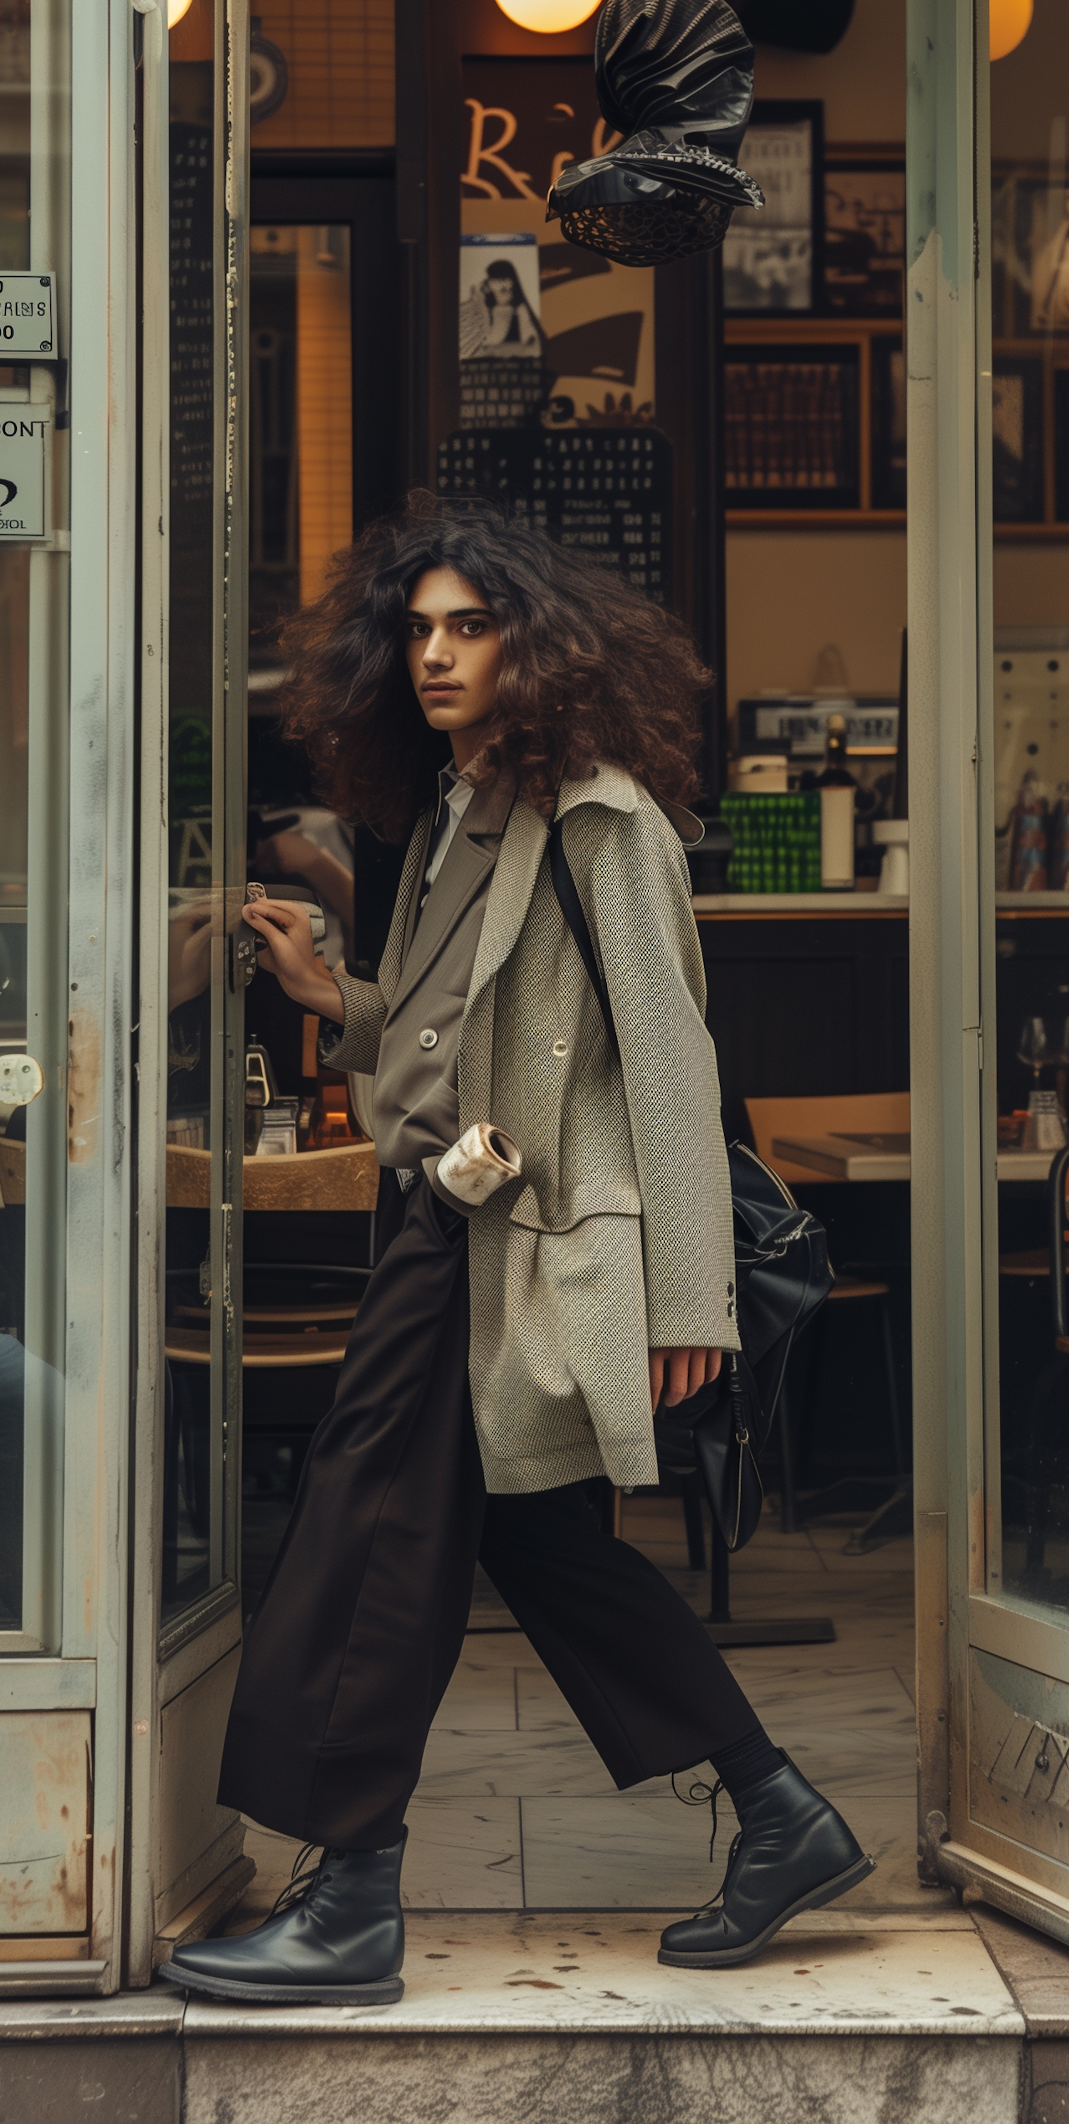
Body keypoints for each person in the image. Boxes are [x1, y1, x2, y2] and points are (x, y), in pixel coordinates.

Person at [160, 493, 871, 2006]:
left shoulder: (598, 818)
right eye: (415, 628)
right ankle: (781, 1809)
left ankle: (352, 1895)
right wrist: (328, 988)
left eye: (467, 626)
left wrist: (694, 1300)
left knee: (371, 1527)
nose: (434, 653)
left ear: (535, 645)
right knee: (533, 1546)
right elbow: (437, 1045)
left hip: (514, 1244)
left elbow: (674, 1063)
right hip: (444, 1222)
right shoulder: (446, 816)